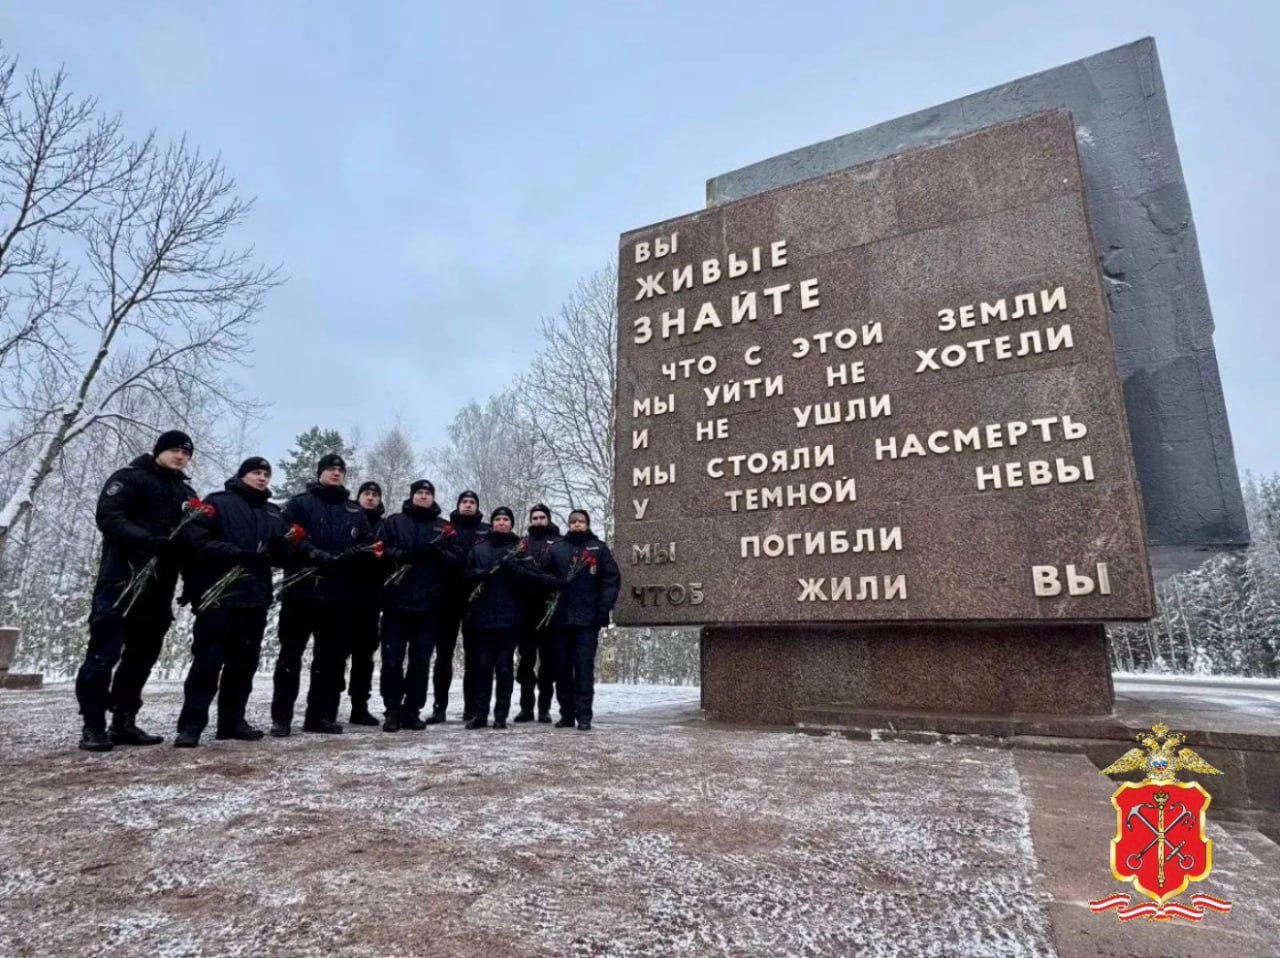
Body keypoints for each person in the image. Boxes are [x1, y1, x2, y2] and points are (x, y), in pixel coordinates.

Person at [75, 430, 199, 752]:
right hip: (121, 578)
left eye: (186, 453)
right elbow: (110, 518)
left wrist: (193, 582)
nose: (180, 456)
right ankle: (92, 724)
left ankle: (124, 720)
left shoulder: (185, 492)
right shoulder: (129, 479)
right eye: (174, 450)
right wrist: (147, 540)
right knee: (104, 654)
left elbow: (188, 542)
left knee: (141, 657)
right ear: (159, 450)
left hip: (159, 586)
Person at [174, 457, 289, 747]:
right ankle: (191, 726)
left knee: (243, 664)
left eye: (266, 474)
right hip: (220, 596)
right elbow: (195, 540)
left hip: (254, 598)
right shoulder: (218, 502)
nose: (262, 478)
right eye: (256, 473)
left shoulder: (273, 513)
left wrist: (283, 551)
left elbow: (283, 554)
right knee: (207, 662)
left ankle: (232, 721)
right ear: (242, 475)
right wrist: (235, 552)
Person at [270, 453, 376, 736]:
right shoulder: (300, 503)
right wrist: (309, 551)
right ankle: (281, 717)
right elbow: (285, 536)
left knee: (329, 661)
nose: (336, 473)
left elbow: (367, 545)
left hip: (338, 597)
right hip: (302, 593)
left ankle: (320, 716)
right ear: (319, 472)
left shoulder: (354, 510)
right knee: (290, 657)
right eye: (331, 469)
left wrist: (358, 555)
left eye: (341, 470)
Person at [377, 480, 457, 731]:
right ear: (412, 496)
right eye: (419, 493)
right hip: (396, 604)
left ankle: (413, 709)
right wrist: (399, 554)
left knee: (420, 662)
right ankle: (392, 710)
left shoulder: (443, 527)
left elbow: (458, 561)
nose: (424, 497)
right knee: (392, 660)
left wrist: (438, 554)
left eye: (428, 493)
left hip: (429, 607)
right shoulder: (394, 522)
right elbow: (378, 552)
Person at [462, 506, 543, 729]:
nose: (501, 523)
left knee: (504, 667)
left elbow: (533, 579)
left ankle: (500, 714)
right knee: (482, 667)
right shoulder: (479, 548)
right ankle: (480, 713)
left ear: (511, 524)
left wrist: (515, 569)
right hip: (482, 617)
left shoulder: (519, 550)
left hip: (509, 618)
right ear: (492, 522)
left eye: (505, 519)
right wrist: (479, 574)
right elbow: (464, 575)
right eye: (497, 519)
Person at [543, 509, 621, 731]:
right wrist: (555, 584)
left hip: (587, 619)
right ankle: (566, 713)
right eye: (574, 521)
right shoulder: (557, 549)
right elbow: (543, 576)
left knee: (584, 668)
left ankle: (584, 715)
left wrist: (603, 608)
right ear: (568, 524)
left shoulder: (598, 548)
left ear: (587, 524)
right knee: (562, 668)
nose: (577, 524)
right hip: (561, 618)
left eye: (582, 521)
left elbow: (611, 579)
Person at [426, 489, 489, 724]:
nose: (468, 505)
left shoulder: (486, 531)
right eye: (465, 501)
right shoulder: (444, 527)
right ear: (458, 505)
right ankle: (439, 707)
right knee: (443, 655)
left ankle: (471, 708)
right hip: (446, 599)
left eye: (473, 502)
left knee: (474, 657)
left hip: (475, 600)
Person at [514, 504, 560, 723]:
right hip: (526, 610)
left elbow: (562, 573)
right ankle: (526, 708)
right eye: (535, 517)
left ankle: (544, 708)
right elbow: (516, 570)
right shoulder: (522, 543)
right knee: (526, 662)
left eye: (542, 517)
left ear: (548, 519)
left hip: (550, 609)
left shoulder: (558, 543)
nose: (539, 521)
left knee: (548, 663)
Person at [347, 480, 386, 726]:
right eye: (366, 494)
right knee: (334, 654)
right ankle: (326, 706)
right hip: (343, 596)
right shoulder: (346, 519)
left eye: (375, 495)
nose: (370, 498)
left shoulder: (385, 526)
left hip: (371, 599)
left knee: (364, 657)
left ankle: (359, 706)